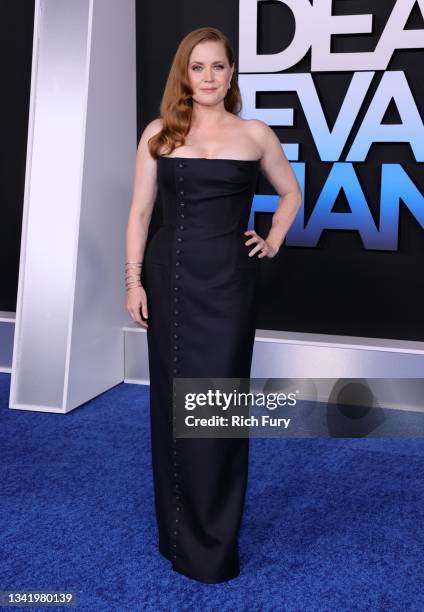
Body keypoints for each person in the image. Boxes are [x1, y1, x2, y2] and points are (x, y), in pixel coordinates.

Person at [125, 27, 302, 583]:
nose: (207, 77)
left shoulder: (254, 133)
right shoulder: (159, 133)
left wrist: (271, 238)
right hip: (171, 279)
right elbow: (138, 214)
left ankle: (215, 542)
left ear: (231, 74)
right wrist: (133, 282)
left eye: (218, 67)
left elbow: (291, 191)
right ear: (185, 74)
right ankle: (176, 534)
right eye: (197, 67)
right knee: (172, 410)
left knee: (217, 410)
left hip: (229, 284)